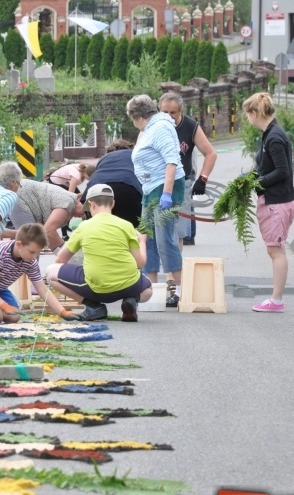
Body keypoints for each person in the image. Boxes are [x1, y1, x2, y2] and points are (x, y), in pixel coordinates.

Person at [45, 184, 152, 322]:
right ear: (113, 204)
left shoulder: (84, 226)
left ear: (91, 204)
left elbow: (60, 260)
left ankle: (93, 306)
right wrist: (142, 241)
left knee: (50, 273)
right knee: (148, 288)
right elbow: (140, 263)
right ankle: (131, 300)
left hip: (95, 288)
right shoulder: (127, 225)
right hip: (128, 286)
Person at [127, 94, 186, 308]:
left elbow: (171, 161)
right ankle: (151, 288)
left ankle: (179, 290)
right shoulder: (146, 130)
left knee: (164, 239)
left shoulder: (160, 128)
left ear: (139, 116)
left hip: (164, 187)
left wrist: (167, 194)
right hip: (150, 188)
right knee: (146, 237)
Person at [243, 92, 294, 313]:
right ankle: (276, 299)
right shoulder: (270, 134)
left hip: (277, 201)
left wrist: (257, 183)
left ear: (255, 113)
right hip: (276, 199)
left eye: (248, 114)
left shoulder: (274, 137)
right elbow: (268, 166)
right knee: (275, 250)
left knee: (276, 251)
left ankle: (276, 301)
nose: (248, 119)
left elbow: (282, 171)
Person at [158, 91, 218, 247]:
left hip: (181, 183)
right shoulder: (153, 126)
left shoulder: (190, 126)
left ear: (180, 112)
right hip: (157, 183)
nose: (169, 116)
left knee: (178, 232)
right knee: (156, 229)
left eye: (173, 112)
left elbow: (210, 153)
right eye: (165, 112)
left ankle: (176, 268)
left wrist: (202, 178)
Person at [6, 179, 85, 253]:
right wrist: (65, 251)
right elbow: (48, 231)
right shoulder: (68, 204)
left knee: (31, 240)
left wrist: (59, 254)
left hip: (20, 192)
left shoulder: (69, 199)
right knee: (30, 241)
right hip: (20, 195)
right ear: (79, 200)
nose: (84, 215)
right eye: (85, 211)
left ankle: (4, 232)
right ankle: (4, 233)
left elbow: (46, 234)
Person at [81, 139, 143, 228]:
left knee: (99, 225)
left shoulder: (104, 157)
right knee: (132, 226)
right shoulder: (134, 154)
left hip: (98, 186)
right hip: (128, 186)